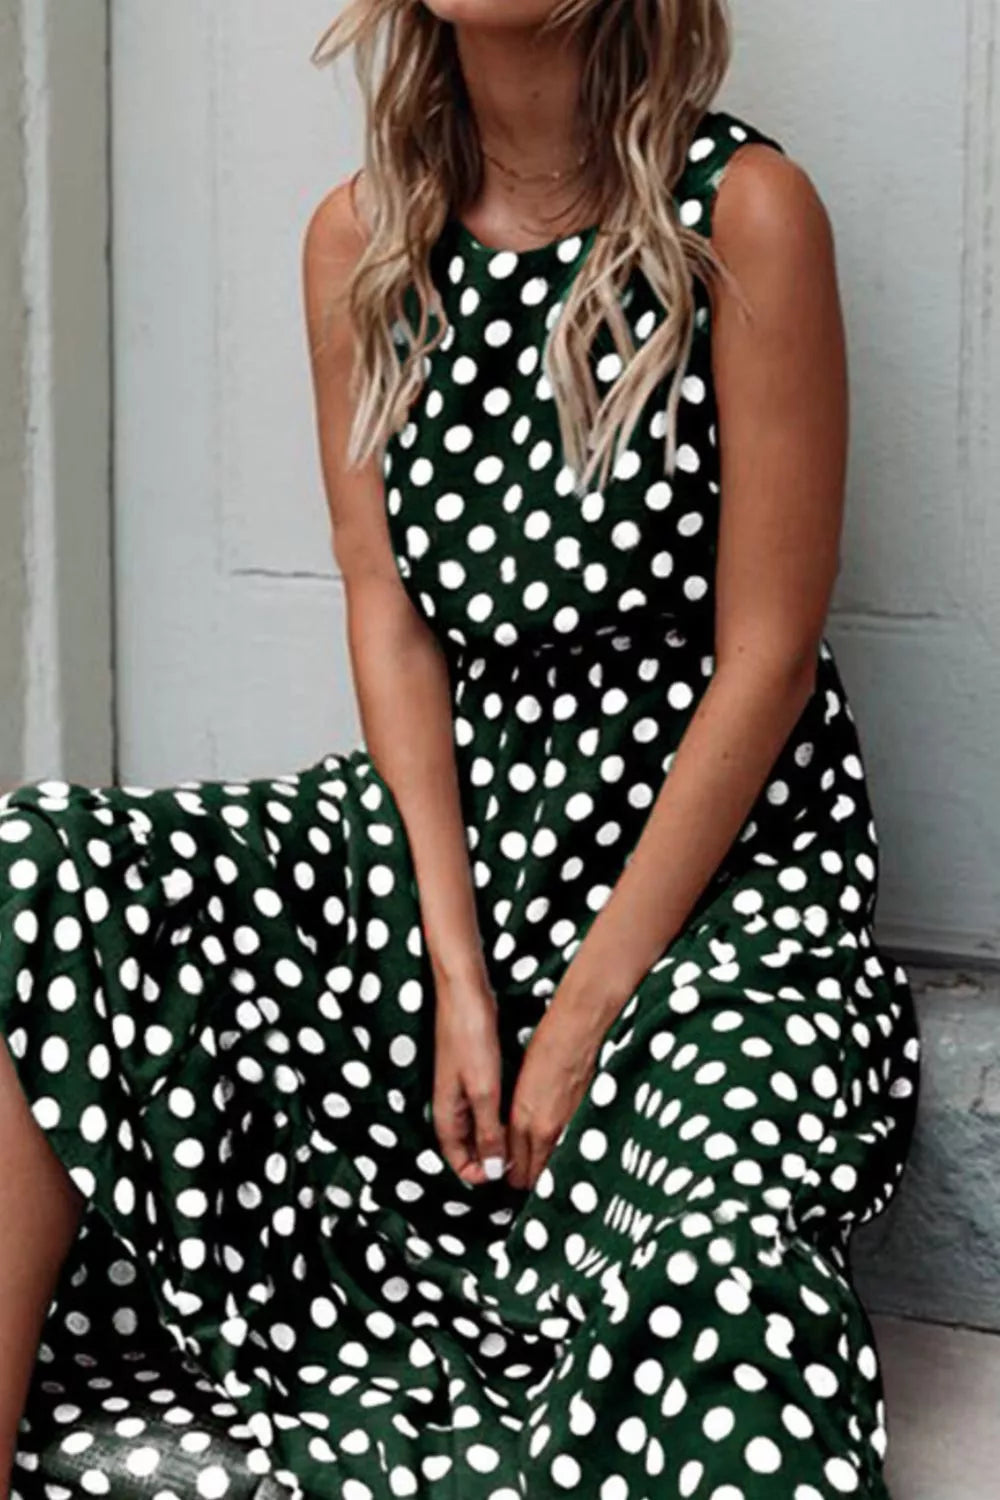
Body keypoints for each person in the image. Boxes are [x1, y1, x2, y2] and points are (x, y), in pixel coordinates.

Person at [0, 2, 922, 1497]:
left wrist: (582, 1013)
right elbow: (389, 613)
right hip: (454, 855)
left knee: (719, 1285)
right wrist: (457, 973)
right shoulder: (359, 244)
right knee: (38, 867)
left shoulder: (747, 215)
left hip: (714, 899)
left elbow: (767, 653)